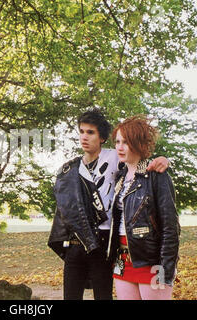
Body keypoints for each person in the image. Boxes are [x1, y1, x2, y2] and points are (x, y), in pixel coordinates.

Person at [48, 109, 169, 300]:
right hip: (75, 242)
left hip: (104, 241)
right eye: (81, 131)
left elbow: (143, 168)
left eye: (90, 132)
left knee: (103, 296)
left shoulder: (115, 157)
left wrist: (164, 160)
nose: (84, 137)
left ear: (102, 137)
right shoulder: (70, 169)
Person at [107, 115, 180, 300]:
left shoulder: (156, 175)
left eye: (126, 142)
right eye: (117, 141)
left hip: (151, 262)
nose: (119, 147)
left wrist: (166, 270)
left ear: (139, 144)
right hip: (122, 261)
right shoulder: (119, 177)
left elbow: (170, 228)